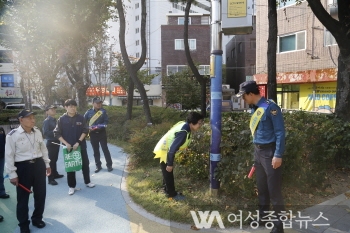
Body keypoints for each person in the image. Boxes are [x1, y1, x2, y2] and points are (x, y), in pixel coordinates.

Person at [236, 81, 285, 233]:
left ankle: (279, 227)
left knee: (274, 190)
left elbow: (280, 133)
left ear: (250, 94)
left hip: (270, 153)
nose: (242, 99)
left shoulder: (271, 107)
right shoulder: (255, 108)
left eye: (243, 96)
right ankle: (263, 217)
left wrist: (278, 155)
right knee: (262, 188)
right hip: (258, 152)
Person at [5, 109, 51, 233]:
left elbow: (43, 148)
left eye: (33, 118)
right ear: (21, 120)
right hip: (23, 168)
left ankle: (37, 218)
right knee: (23, 199)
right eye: (29, 118)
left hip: (39, 166)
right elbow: (9, 156)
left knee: (40, 195)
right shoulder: (12, 135)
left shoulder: (37, 131)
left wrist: (47, 164)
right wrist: (12, 174)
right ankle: (23, 225)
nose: (33, 120)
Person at [153, 112, 204, 201]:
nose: (201, 125)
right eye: (199, 123)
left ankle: (166, 190)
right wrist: (170, 163)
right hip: (165, 152)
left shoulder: (186, 127)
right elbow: (172, 149)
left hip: (165, 150)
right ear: (192, 122)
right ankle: (172, 195)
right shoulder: (183, 132)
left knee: (167, 173)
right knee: (168, 173)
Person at [54, 99, 95, 195]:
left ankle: (87, 182)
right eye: (70, 106)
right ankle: (71, 186)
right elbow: (57, 133)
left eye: (74, 106)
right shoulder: (61, 119)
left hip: (81, 146)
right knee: (71, 167)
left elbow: (85, 130)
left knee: (85, 164)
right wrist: (66, 143)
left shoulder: (81, 118)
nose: (73, 108)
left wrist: (79, 142)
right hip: (69, 148)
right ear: (66, 107)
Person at [84, 97, 113, 173]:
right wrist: (88, 128)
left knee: (105, 149)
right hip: (93, 134)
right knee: (95, 150)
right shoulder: (88, 112)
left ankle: (109, 165)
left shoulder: (103, 111)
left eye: (100, 103)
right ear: (93, 103)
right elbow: (83, 123)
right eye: (97, 103)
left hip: (102, 133)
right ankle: (98, 165)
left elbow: (106, 121)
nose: (99, 104)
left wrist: (100, 126)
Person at [42, 105, 64, 185]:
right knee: (50, 161)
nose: (54, 110)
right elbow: (45, 132)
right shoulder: (47, 121)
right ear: (47, 111)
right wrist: (56, 133)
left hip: (56, 141)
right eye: (51, 109)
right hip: (51, 142)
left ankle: (55, 173)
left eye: (54, 109)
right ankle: (50, 178)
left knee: (55, 159)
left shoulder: (55, 120)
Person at [0, 127, 9, 199]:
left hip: (1, 156)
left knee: (0, 174)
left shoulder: (1, 129)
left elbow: (5, 141)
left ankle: (1, 192)